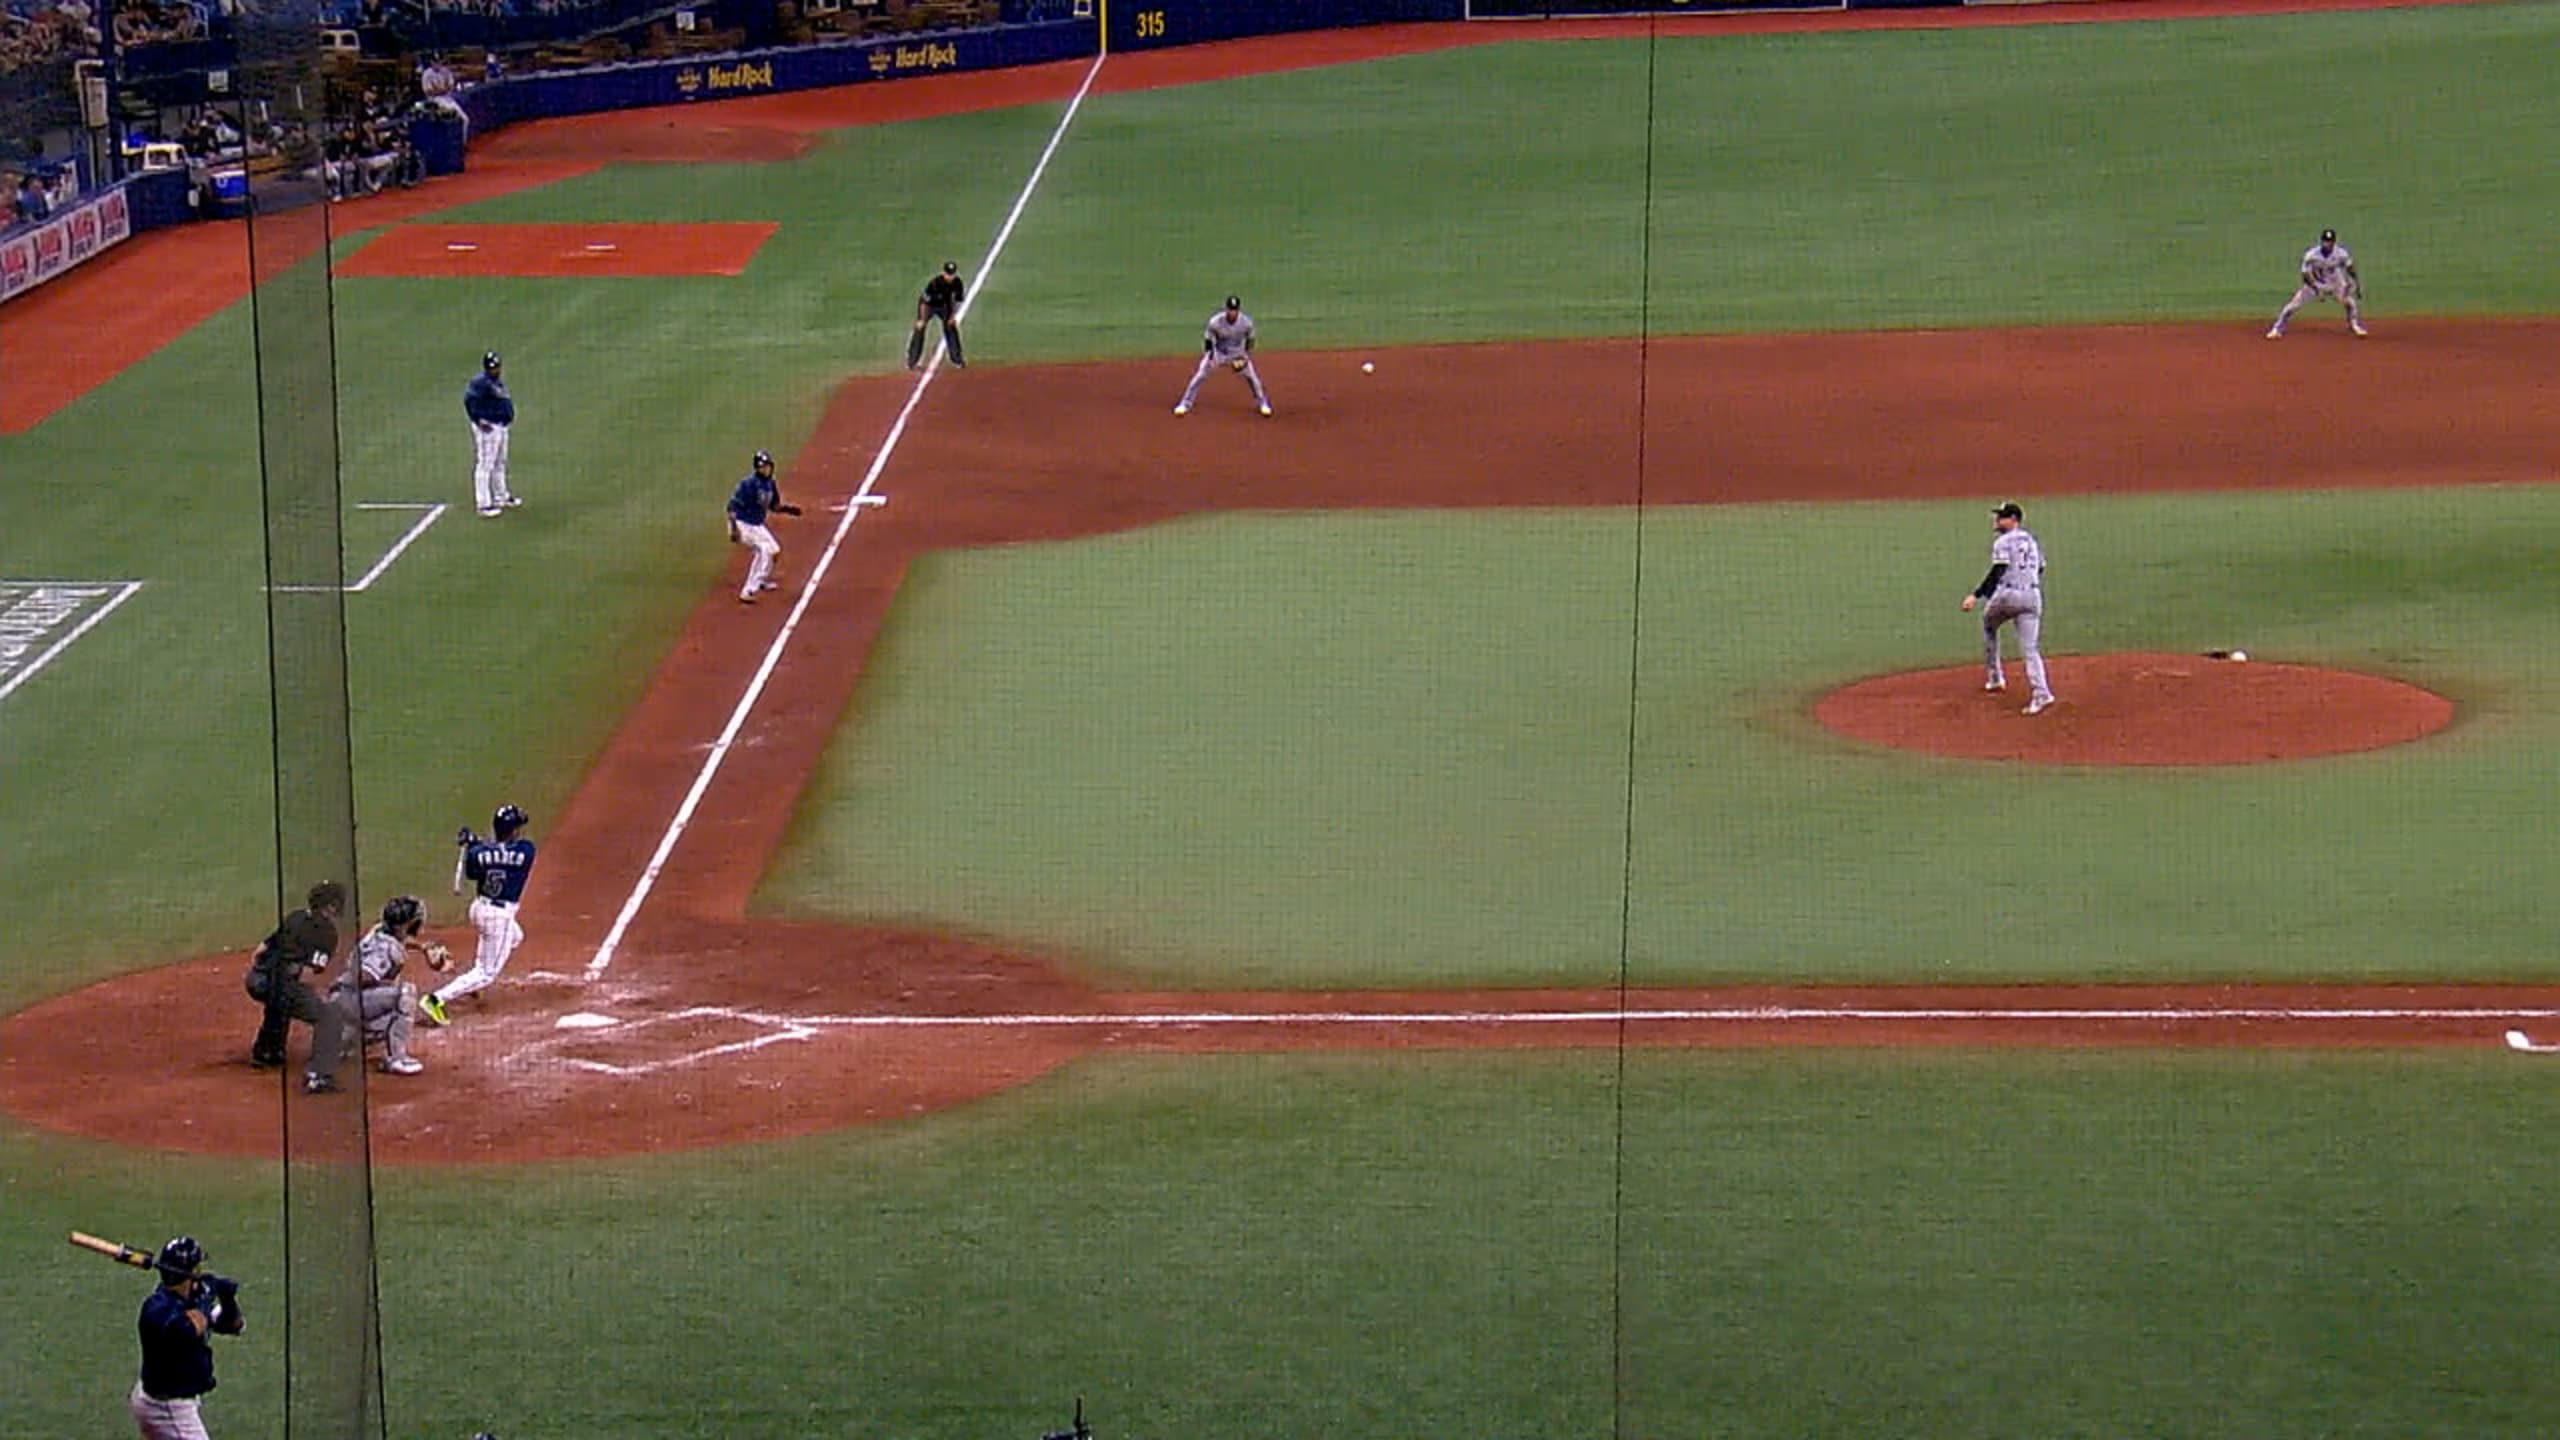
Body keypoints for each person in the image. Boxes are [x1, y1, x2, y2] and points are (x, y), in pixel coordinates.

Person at [307, 895, 446, 1087]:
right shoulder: (384, 950)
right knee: (405, 993)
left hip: (343, 1000)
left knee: (391, 1010)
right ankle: (395, 1059)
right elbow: (364, 975)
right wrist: (382, 984)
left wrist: (423, 947)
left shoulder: (381, 930)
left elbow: (401, 940)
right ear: (404, 925)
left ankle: (347, 1038)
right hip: (347, 1000)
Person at [422, 805, 537, 1025]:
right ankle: (435, 1000)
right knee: (487, 973)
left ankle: (473, 980)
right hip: (498, 916)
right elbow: (502, 852)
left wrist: (471, 843)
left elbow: (476, 868)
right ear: (513, 831)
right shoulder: (527, 850)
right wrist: (475, 841)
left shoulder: (477, 854)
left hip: (480, 909)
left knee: (516, 937)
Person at [242, 880, 354, 1094]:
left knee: (281, 997)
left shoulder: (295, 916)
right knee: (329, 1016)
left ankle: (267, 1051)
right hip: (285, 981)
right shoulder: (327, 932)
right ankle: (319, 1074)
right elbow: (309, 973)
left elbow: (260, 950)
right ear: (330, 906)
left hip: (257, 980)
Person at [131, 1236, 244, 1440]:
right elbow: (189, 1328)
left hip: (172, 1400)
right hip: (165, 1407)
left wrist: (228, 1300)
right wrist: (209, 1295)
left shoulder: (190, 1298)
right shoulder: (157, 1309)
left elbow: (232, 1325)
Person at [1962, 502, 2055, 715]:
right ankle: (2042, 693)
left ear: (2013, 519)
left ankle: (1995, 678)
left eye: (2001, 517)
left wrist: (1976, 596)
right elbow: (2041, 567)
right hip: (2032, 595)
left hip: (2008, 596)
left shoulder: (2003, 542)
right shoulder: (2032, 540)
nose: (1997, 521)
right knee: (2030, 649)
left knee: (1988, 625)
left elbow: (1998, 570)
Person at [1173, 295, 1272, 417]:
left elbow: (1250, 340)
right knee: (1200, 375)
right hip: (1219, 352)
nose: (1232, 312)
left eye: (1234, 310)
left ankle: (1263, 404)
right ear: (1226, 310)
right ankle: (1185, 404)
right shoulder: (1216, 322)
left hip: (1237, 353)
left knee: (1252, 378)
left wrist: (1245, 357)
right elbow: (1208, 341)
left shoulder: (1246, 323)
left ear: (1238, 310)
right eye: (1230, 309)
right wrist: (1211, 357)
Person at [726, 449, 802, 605]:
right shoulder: (748, 484)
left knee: (774, 551)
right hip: (742, 524)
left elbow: (774, 506)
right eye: (763, 467)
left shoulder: (770, 484)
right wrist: (734, 530)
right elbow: (731, 508)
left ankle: (760, 579)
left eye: (767, 466)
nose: (766, 469)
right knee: (765, 550)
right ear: (757, 468)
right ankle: (748, 590)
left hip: (756, 525)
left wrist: (788, 509)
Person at [2267, 227, 2365, 340]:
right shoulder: (2311, 255)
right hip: (2315, 283)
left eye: (2330, 241)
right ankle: (2277, 329)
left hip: (2336, 283)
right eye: (2325, 241)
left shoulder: (2341, 254)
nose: (2327, 244)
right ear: (2321, 241)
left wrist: (2356, 284)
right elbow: (2305, 275)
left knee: (2350, 303)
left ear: (2334, 242)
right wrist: (2316, 290)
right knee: (2292, 307)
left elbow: (2350, 268)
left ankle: (2354, 325)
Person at [463, 350, 517, 516]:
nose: (496, 370)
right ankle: (484, 503)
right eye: (493, 367)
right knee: (486, 464)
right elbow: (469, 400)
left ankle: (501, 496)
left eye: (497, 367)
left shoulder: (495, 382)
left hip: (500, 425)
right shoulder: (480, 383)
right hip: (488, 427)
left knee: (500, 461)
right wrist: (478, 419)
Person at [906, 260, 966, 369]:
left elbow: (958, 301)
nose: (950, 277)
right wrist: (921, 319)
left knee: (951, 327)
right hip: (929, 306)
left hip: (944, 306)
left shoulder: (957, 283)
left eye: (952, 274)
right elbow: (924, 302)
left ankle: (957, 359)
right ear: (944, 273)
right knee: (919, 329)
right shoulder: (935, 283)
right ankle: (912, 361)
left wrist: (953, 316)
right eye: (948, 274)